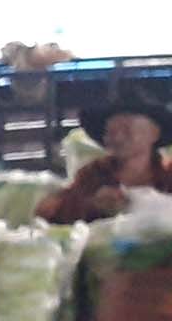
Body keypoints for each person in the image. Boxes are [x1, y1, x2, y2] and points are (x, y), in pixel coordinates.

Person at [41, 95, 171, 225]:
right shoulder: (94, 173)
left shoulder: (168, 172)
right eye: (111, 132)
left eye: (127, 130)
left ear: (154, 133)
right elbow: (48, 212)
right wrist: (92, 205)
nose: (118, 138)